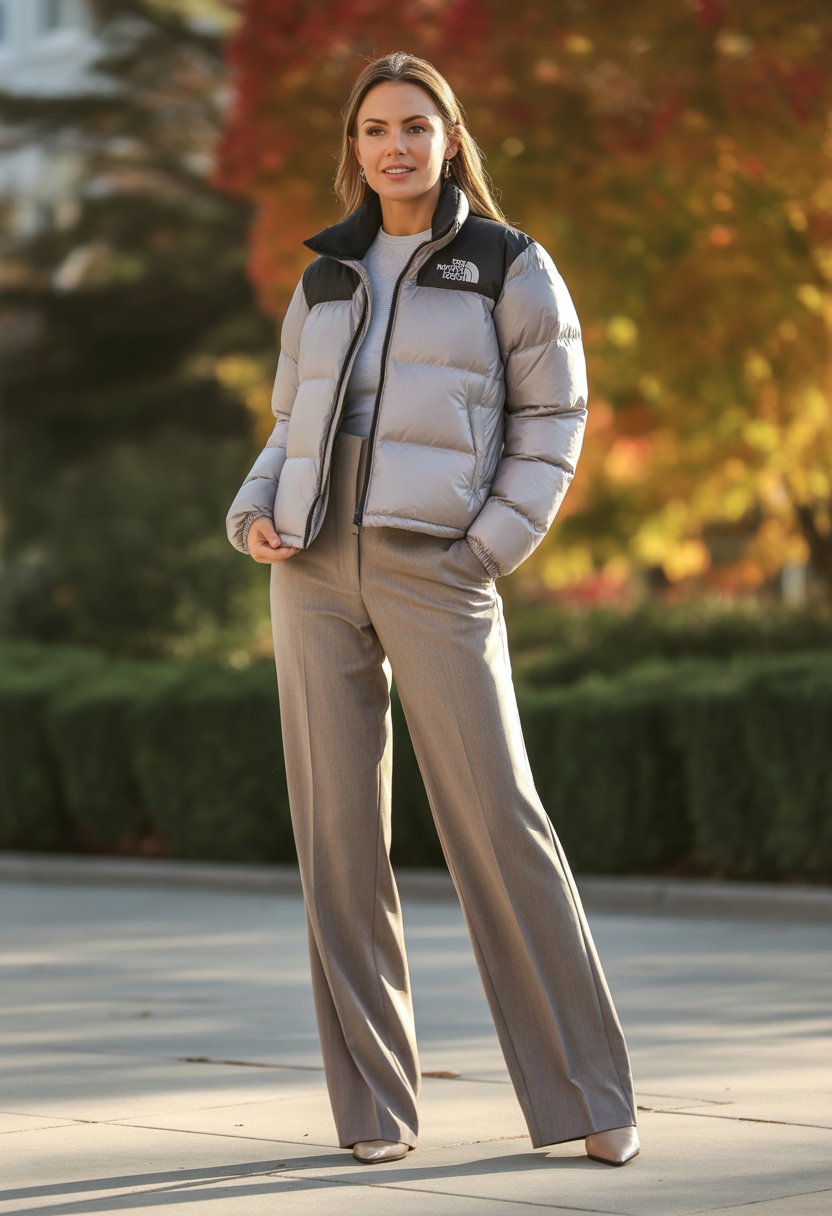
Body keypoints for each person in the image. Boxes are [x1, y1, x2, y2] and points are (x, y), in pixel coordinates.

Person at [225, 51, 640, 1169]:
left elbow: (555, 416)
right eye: (373, 129)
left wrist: (488, 547)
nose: (394, 146)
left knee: (499, 820)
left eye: (415, 125)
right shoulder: (325, 277)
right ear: (351, 150)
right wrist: (252, 513)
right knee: (337, 839)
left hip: (434, 561)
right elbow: (287, 424)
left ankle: (590, 1094)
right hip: (309, 564)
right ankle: (373, 1110)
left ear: (450, 139)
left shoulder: (509, 263)